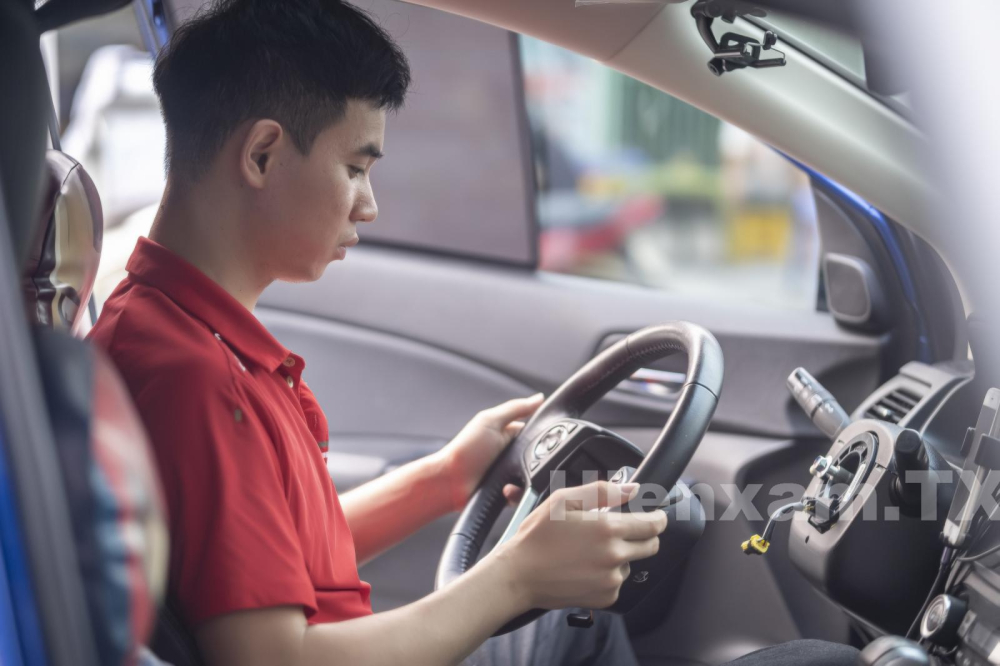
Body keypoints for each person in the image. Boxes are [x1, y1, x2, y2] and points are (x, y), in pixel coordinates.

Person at [88, 1, 859, 664]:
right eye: (357, 168)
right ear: (261, 154)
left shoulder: (164, 328)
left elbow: (272, 561)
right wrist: (515, 576)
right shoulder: (202, 383)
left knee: (575, 622)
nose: (368, 205)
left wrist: (447, 478)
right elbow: (271, 657)